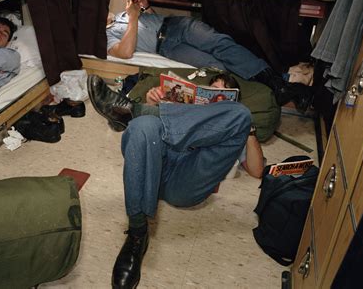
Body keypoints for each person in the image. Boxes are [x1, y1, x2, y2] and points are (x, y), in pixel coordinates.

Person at [87, 73, 264, 288]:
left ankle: (134, 113)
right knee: (142, 126)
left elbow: (257, 170)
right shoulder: (179, 109)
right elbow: (144, 140)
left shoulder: (233, 125)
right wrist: (154, 104)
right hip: (155, 165)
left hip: (189, 178)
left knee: (241, 115)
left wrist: (248, 129)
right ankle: (137, 235)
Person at [106, 0, 312, 112]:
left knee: (221, 44)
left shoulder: (121, 14)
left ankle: (280, 83)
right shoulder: (105, 37)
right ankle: (282, 83)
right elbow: (125, 52)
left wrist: (144, 6)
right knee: (218, 67)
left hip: (177, 26)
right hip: (168, 47)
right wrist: (133, 17)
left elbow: (152, 19)